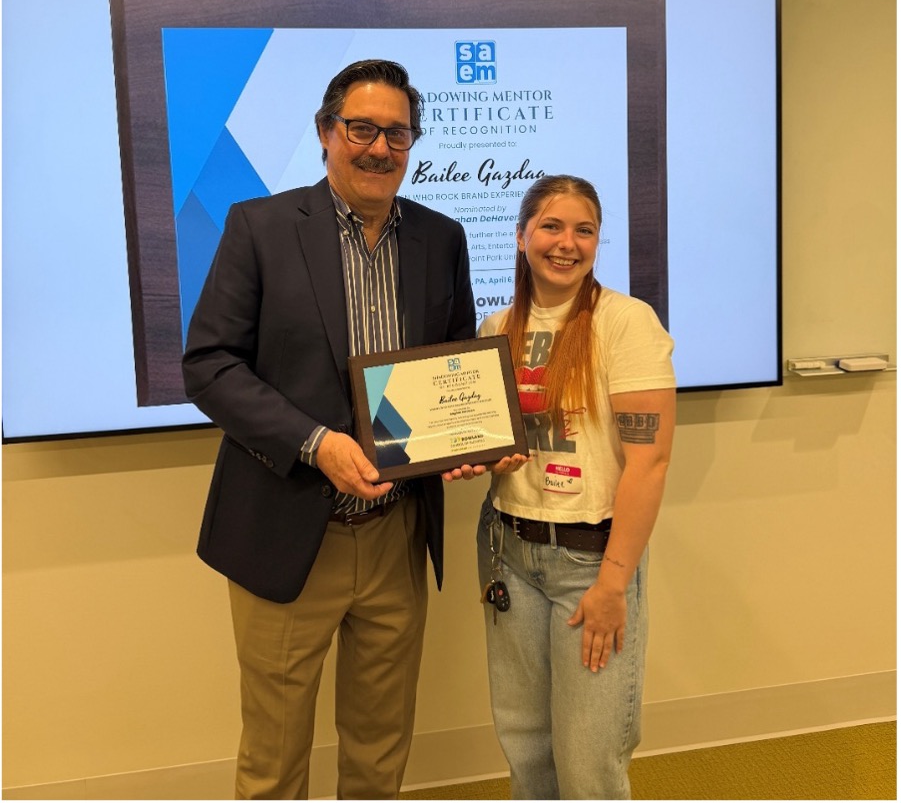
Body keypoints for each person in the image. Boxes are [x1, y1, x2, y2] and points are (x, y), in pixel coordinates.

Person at [182, 59, 480, 800]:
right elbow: (209, 365)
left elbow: (456, 360)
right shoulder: (260, 227)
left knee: (380, 748)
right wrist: (315, 443)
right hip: (288, 531)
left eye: (397, 133)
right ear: (325, 132)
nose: (380, 148)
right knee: (275, 758)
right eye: (361, 129)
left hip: (395, 534)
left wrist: (462, 440)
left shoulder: (441, 237)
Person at [474, 174, 676, 799]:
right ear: (521, 237)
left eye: (584, 230)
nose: (567, 243)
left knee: (589, 764)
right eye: (552, 227)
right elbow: (496, 446)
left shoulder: (626, 322)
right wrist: (480, 459)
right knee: (527, 751)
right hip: (509, 551)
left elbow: (650, 463)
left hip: (589, 563)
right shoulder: (495, 325)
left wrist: (613, 585)